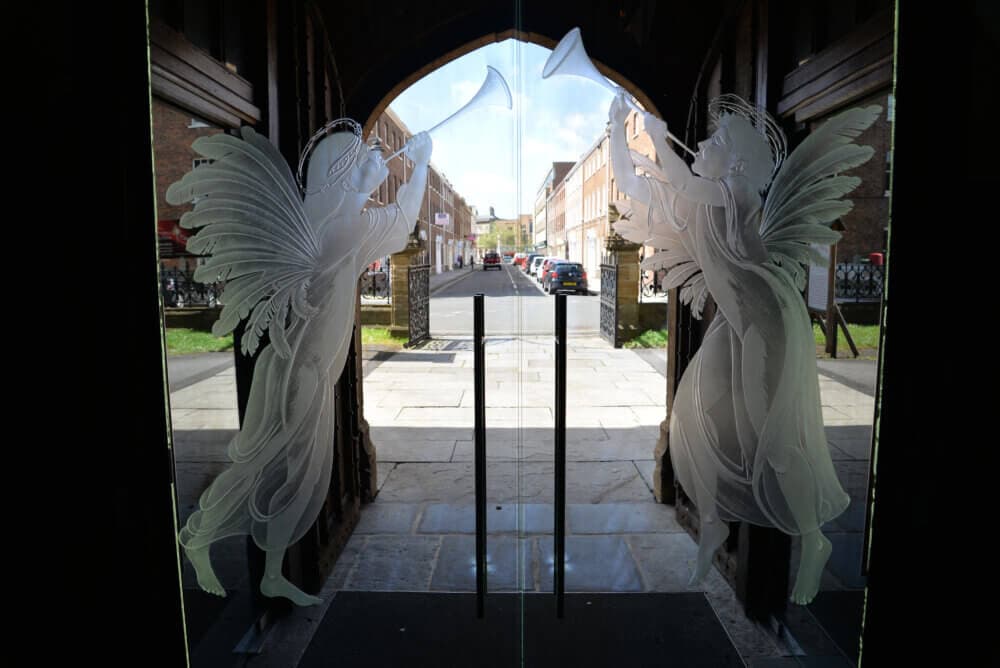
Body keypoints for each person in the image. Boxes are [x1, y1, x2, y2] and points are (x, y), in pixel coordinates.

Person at [608, 92, 879, 605]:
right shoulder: (704, 197)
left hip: (764, 322)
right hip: (732, 326)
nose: (702, 144)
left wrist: (657, 131)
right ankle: (713, 523)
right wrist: (619, 131)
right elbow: (634, 186)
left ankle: (813, 540)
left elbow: (684, 179)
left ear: (733, 159)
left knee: (773, 444)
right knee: (695, 421)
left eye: (715, 140)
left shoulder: (733, 190)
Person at [167, 120, 432, 606]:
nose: (379, 163)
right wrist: (421, 164)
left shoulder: (326, 214)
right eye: (365, 159)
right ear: (342, 173)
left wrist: (404, 168)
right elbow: (401, 222)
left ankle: (263, 569)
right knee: (280, 468)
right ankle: (202, 538)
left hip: (297, 366)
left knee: (287, 470)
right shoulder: (342, 225)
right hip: (301, 372)